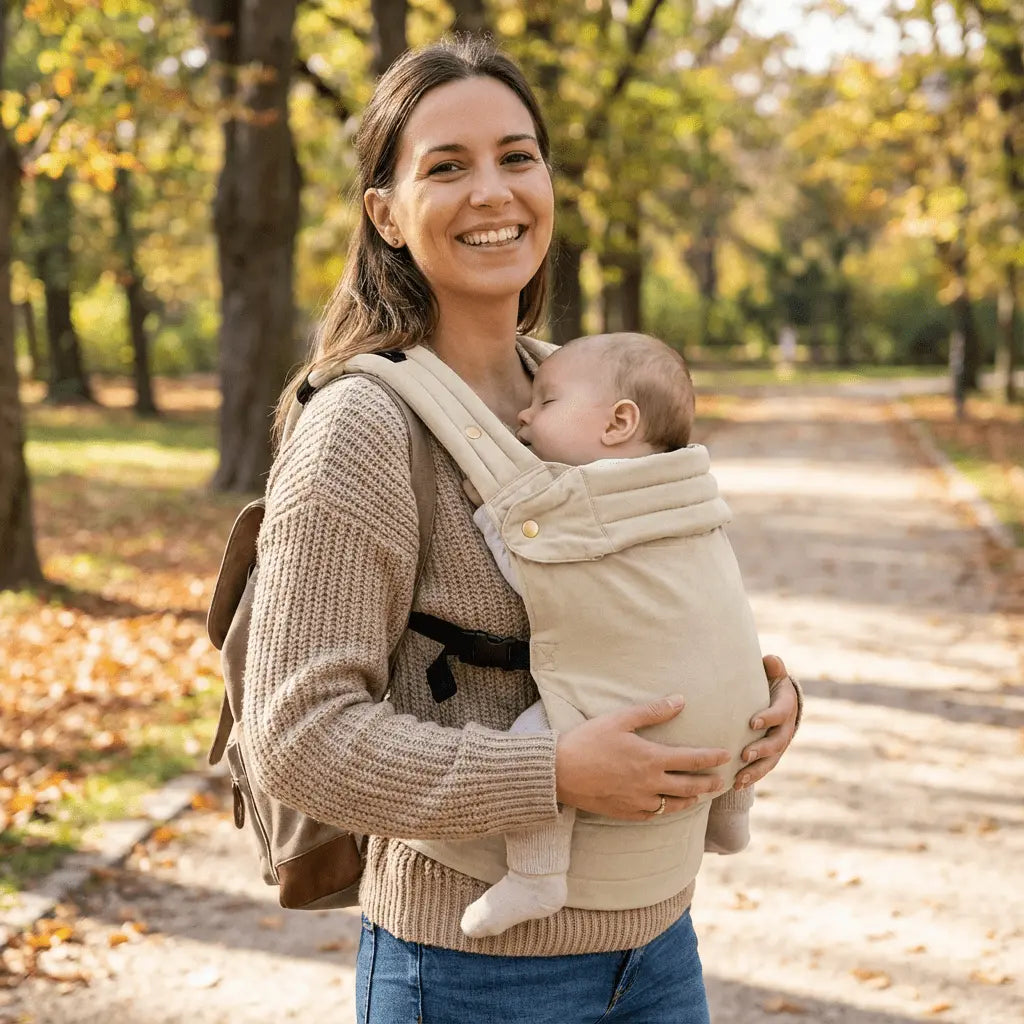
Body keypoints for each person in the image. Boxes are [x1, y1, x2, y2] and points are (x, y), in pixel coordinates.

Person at [243, 35, 801, 1024]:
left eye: (517, 155)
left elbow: (654, 595)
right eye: (446, 167)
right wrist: (550, 772)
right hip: (471, 970)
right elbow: (296, 737)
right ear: (386, 212)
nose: (494, 191)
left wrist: (754, 700)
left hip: (658, 945)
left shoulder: (589, 393)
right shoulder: (362, 430)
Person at [454, 330, 762, 940]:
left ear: (619, 422)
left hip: (638, 711)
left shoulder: (585, 497)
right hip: (740, 706)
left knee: (535, 739)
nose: (523, 412)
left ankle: (537, 875)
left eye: (546, 402)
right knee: (730, 697)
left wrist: (493, 515)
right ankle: (730, 815)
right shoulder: (685, 486)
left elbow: (534, 567)